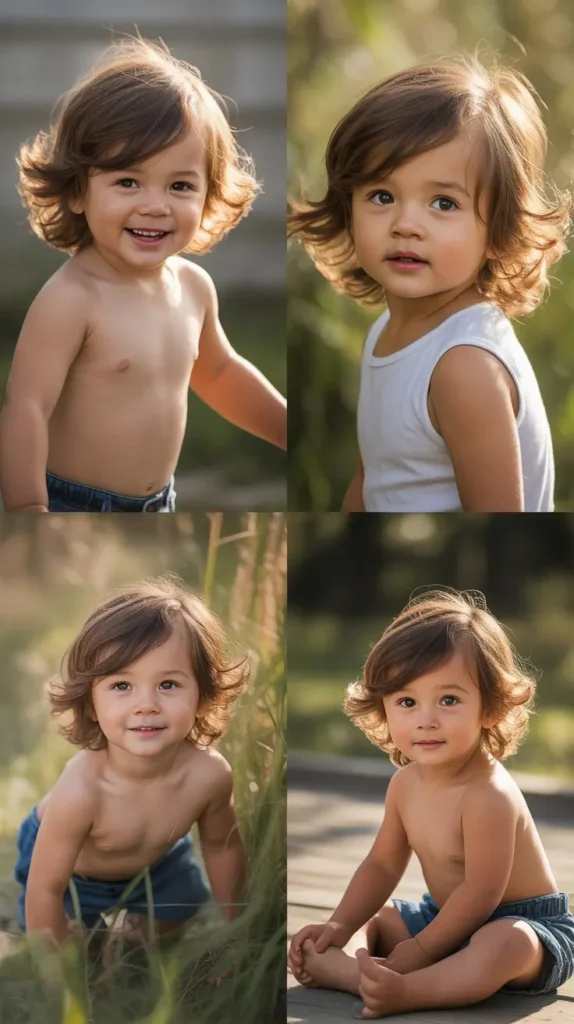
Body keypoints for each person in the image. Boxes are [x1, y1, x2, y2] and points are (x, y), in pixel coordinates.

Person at [0, 36, 286, 513]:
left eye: (180, 186)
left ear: (209, 195)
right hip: (71, 504)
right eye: (128, 181)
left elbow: (219, 372)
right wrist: (30, 507)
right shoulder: (72, 298)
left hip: (159, 504)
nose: (155, 205)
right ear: (77, 191)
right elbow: (26, 408)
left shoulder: (193, 287)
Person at [289, 55, 572, 512]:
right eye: (382, 196)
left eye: (443, 203)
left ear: (499, 232)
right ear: (349, 207)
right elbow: (371, 480)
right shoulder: (386, 332)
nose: (406, 224)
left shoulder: (464, 366)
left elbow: (499, 523)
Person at [288, 590, 574, 1018]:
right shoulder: (404, 785)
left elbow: (481, 893)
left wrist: (422, 950)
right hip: (441, 916)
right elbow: (381, 865)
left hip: (522, 924)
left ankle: (406, 990)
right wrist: (340, 925)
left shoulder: (488, 795)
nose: (426, 719)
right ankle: (362, 974)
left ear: (491, 708)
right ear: (383, 708)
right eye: (407, 702)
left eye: (449, 700)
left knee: (505, 942)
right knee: (378, 919)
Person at [15, 577, 248, 951]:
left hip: (156, 864)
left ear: (203, 696)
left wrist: (239, 930)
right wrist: (57, 977)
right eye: (122, 686)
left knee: (177, 913)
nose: (146, 705)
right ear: (91, 704)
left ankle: (125, 942)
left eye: (168, 684)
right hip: (72, 873)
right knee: (66, 947)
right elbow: (46, 888)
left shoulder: (209, 775)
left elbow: (223, 847)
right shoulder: (82, 789)